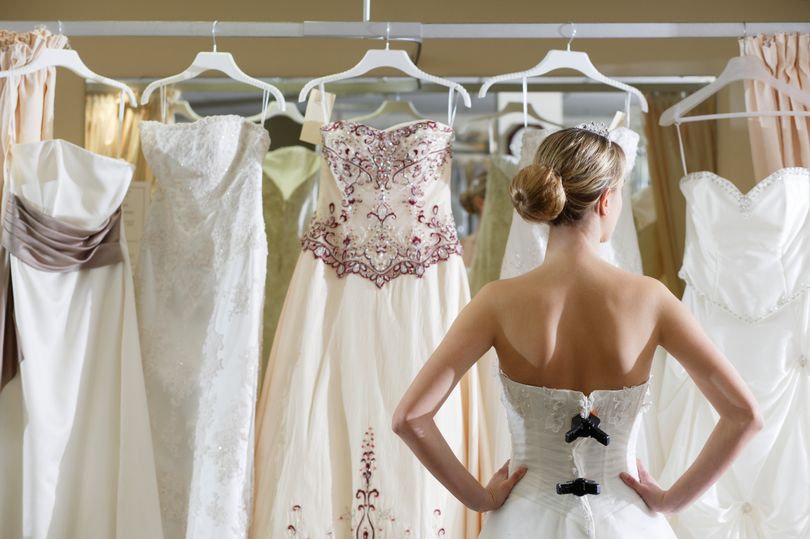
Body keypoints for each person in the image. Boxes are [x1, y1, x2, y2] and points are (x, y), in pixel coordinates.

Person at [393, 124, 762, 538]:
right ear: (606, 200)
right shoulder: (650, 299)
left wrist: (481, 499)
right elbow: (744, 415)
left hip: (523, 522)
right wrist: (670, 500)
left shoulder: (497, 301)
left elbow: (410, 418)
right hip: (627, 523)